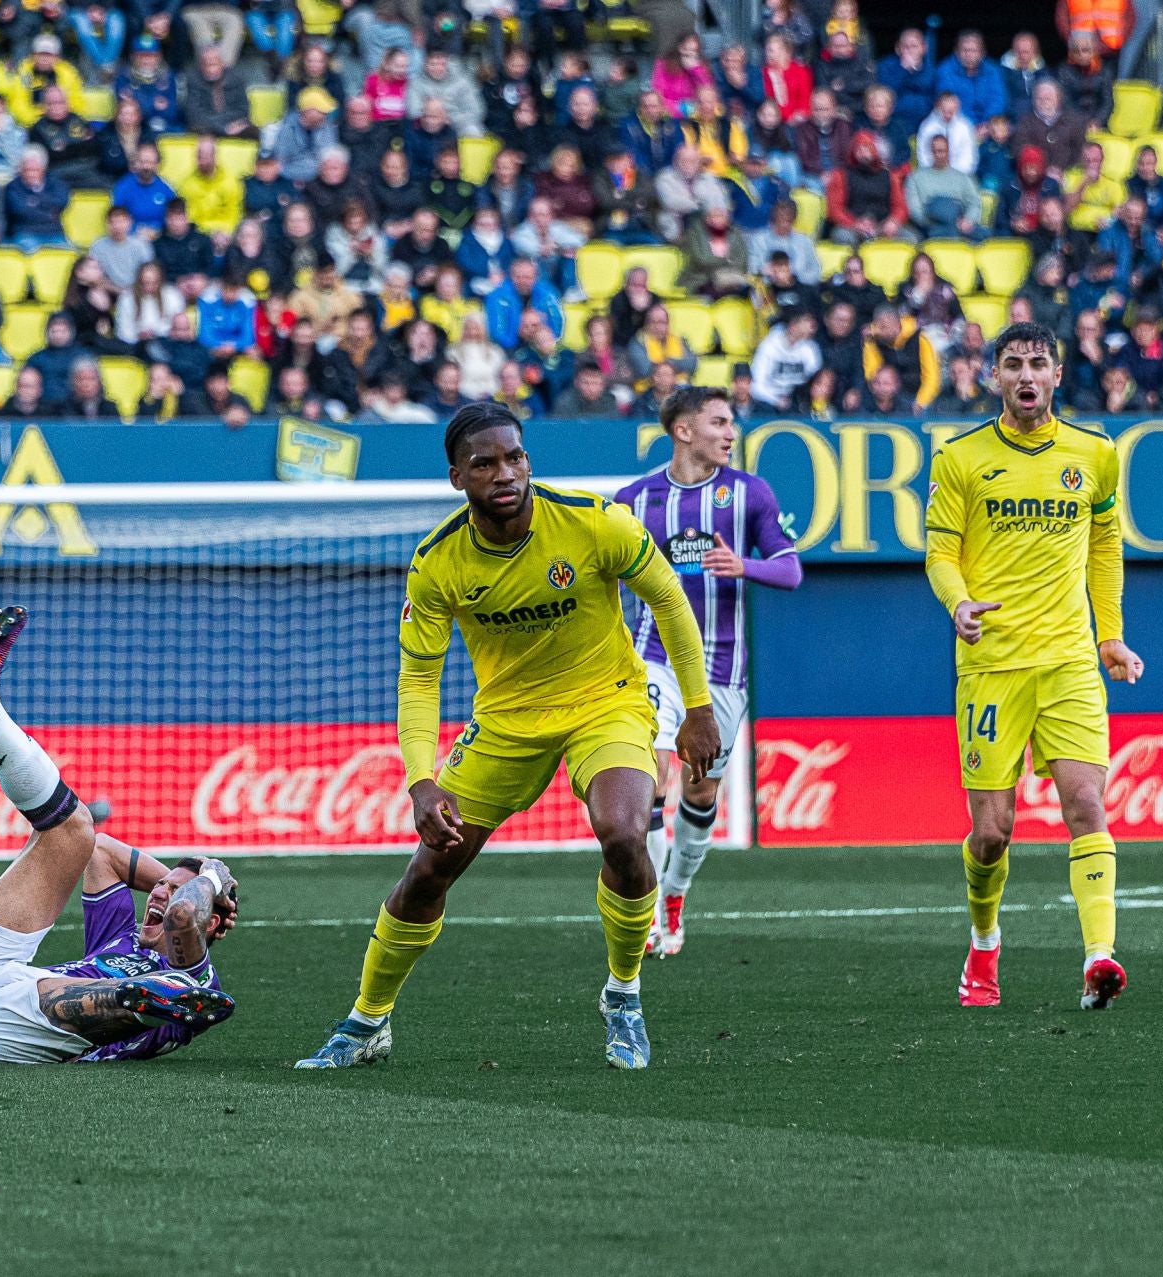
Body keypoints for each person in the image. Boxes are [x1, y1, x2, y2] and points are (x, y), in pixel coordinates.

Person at [294, 404, 721, 1070]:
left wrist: (697, 707)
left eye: (515, 457)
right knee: (427, 873)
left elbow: (667, 596)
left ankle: (624, 995)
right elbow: (418, 680)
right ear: (457, 476)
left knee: (624, 832)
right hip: (506, 721)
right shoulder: (438, 563)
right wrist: (420, 779)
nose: (505, 472)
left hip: (603, 703)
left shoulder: (591, 520)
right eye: (485, 462)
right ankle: (366, 1021)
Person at [924, 321, 1141, 1013]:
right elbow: (940, 552)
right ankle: (984, 942)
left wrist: (1110, 637)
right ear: (993, 376)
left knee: (1086, 803)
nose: (1025, 374)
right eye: (1012, 362)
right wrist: (957, 603)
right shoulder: (960, 458)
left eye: (1037, 363)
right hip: (991, 664)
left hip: (1070, 660)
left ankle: (1098, 957)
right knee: (992, 834)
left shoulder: (1094, 453)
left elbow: (1107, 545)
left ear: (1055, 375)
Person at [0, 607, 239, 1064]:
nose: (158, 895)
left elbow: (180, 920)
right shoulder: (123, 934)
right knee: (74, 832)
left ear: (210, 926)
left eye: (172, 892)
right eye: (161, 886)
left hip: (13, 1028)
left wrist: (210, 882)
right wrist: (182, 886)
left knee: (162, 991)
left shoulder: (196, 973)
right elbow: (100, 851)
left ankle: (138, 999)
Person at [614, 387, 801, 955]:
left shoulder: (749, 494)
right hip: (655, 657)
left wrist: (741, 564)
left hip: (722, 670)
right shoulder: (633, 499)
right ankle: (644, 904)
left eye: (733, 423)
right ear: (683, 429)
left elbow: (790, 571)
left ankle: (675, 890)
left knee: (700, 791)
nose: (730, 432)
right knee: (652, 771)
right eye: (719, 421)